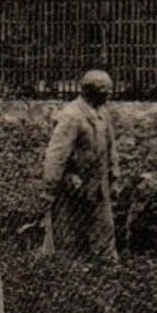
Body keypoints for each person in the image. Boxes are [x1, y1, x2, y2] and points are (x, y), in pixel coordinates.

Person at [42, 69, 120, 262]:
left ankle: (106, 269)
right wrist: (50, 186)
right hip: (73, 184)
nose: (109, 95)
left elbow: (110, 147)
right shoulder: (72, 116)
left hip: (98, 182)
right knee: (70, 232)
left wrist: (114, 176)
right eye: (105, 90)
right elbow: (56, 154)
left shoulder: (103, 113)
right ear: (90, 91)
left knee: (103, 229)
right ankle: (69, 273)